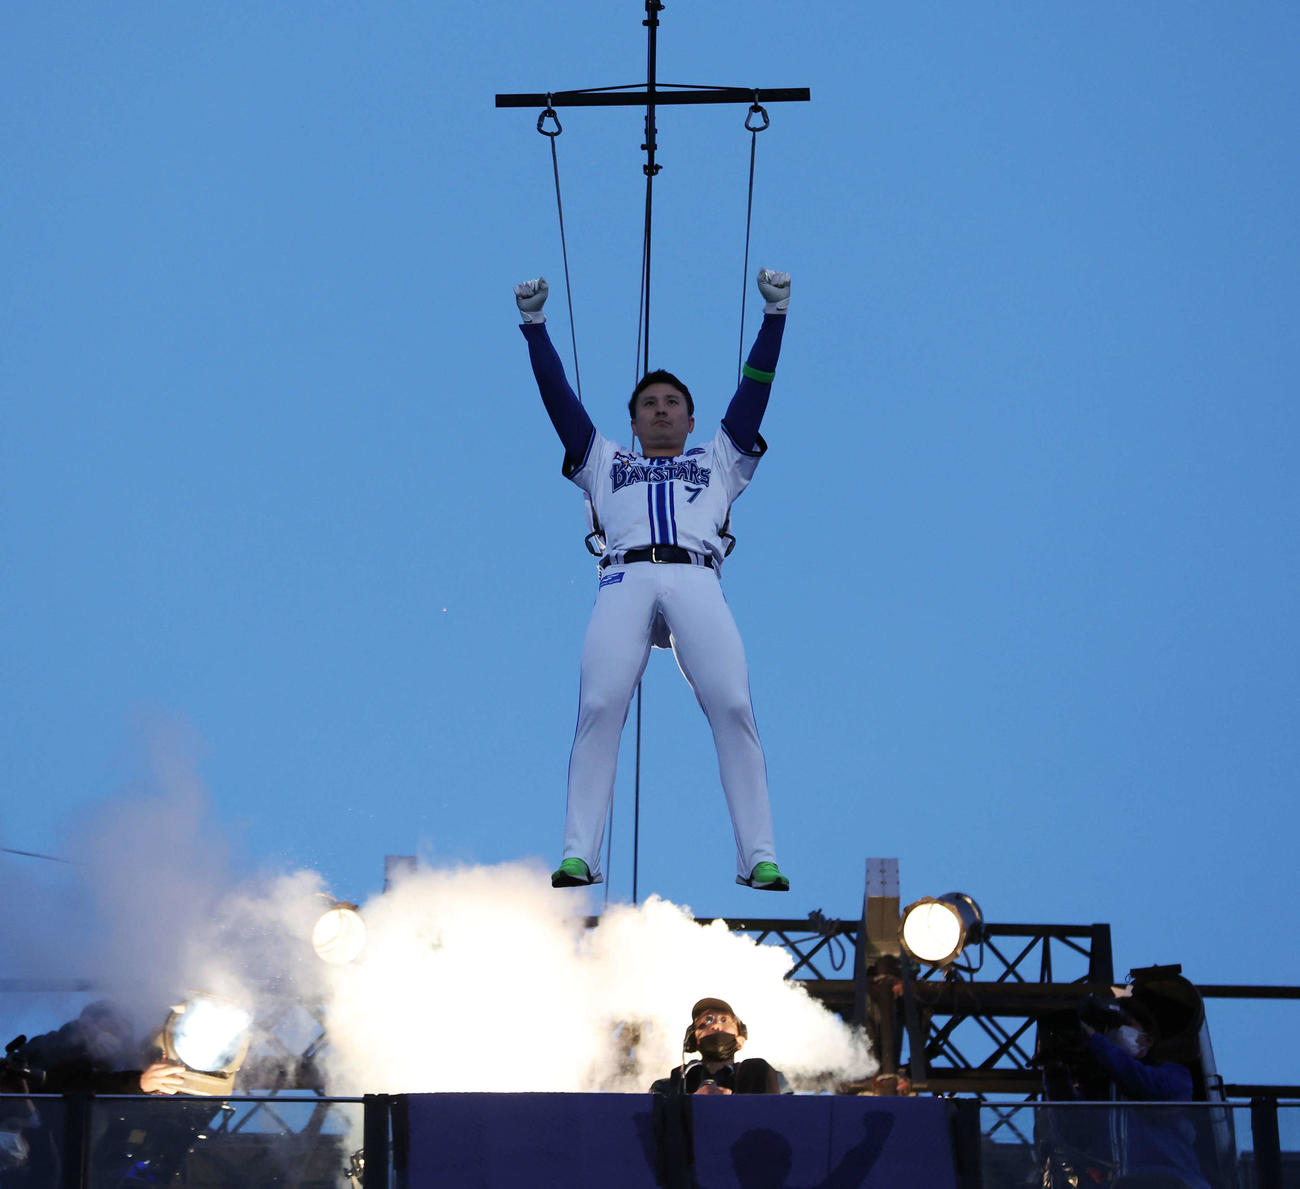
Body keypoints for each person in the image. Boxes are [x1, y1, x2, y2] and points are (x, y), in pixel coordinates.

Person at [515, 270, 792, 891]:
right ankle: (579, 852)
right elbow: (560, 401)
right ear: (633, 422)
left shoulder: (717, 460)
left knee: (732, 704)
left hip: (696, 578)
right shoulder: (607, 463)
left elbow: (754, 395)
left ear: (692, 420)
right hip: (626, 577)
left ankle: (760, 855)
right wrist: (535, 330)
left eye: (672, 404)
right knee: (600, 705)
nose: (661, 409)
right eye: (649, 405)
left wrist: (775, 318)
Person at [1041, 998, 1210, 1189]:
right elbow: (1072, 1133)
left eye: (1124, 1024)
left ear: (1147, 1040)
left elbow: (1143, 1084)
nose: (1114, 1032)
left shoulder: (1176, 1077)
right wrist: (1055, 1070)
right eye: (1111, 1027)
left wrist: (1097, 1042)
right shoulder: (1101, 1094)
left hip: (1174, 1183)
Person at [650, 997, 784, 1095]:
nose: (715, 1025)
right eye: (705, 1022)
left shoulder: (770, 1078)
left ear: (740, 1040)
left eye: (724, 1020)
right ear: (694, 1040)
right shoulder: (669, 1085)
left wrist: (733, 1104)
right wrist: (691, 1103)